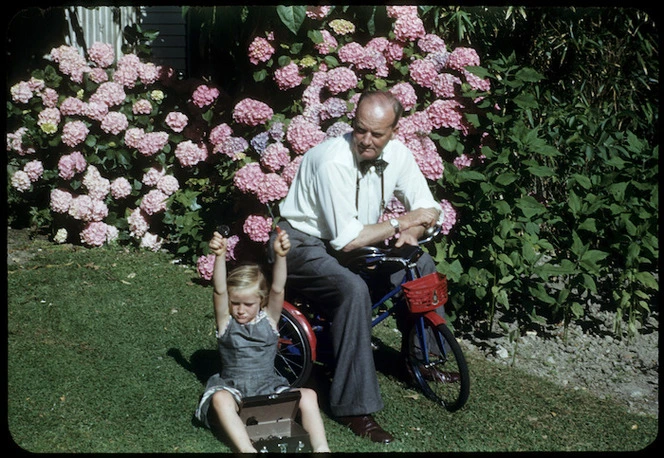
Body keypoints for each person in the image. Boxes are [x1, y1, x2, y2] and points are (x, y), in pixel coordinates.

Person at [274, 90, 444, 444]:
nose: (366, 141)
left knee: (421, 262)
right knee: (352, 289)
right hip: (300, 244)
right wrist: (401, 222)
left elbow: (426, 207)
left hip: (349, 239)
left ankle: (420, 362)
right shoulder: (332, 160)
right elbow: (347, 241)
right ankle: (354, 407)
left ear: (395, 130)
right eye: (359, 129)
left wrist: (412, 229)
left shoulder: (399, 154)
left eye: (376, 134)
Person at [195, 228, 330, 453]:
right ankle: (246, 450)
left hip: (268, 387)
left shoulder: (269, 320)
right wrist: (220, 255)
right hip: (234, 388)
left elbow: (278, 288)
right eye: (235, 303)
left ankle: (321, 448)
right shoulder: (227, 323)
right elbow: (219, 291)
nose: (240, 310)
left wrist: (281, 256)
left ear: (261, 301)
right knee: (220, 399)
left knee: (309, 395)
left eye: (248, 304)